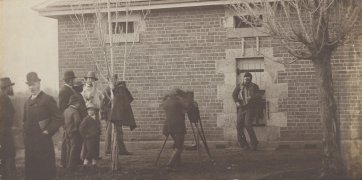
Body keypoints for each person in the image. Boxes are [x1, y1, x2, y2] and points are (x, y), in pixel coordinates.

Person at [23, 72, 63, 180]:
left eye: (34, 84)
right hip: (30, 144)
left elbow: (59, 118)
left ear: (39, 83)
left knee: (45, 173)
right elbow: (25, 121)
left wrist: (48, 131)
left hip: (43, 142)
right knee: (32, 173)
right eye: (29, 84)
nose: (32, 87)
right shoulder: (26, 103)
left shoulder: (47, 99)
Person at [102, 74, 136, 156]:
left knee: (119, 132)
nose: (113, 81)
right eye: (111, 79)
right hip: (110, 114)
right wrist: (108, 111)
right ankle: (108, 150)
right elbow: (102, 105)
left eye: (114, 79)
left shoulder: (118, 89)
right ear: (108, 81)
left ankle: (122, 150)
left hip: (117, 113)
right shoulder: (106, 90)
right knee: (109, 132)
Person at [162, 88, 191, 170]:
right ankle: (169, 165)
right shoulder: (178, 102)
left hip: (169, 127)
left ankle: (178, 162)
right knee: (179, 146)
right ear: (176, 95)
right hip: (179, 127)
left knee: (177, 143)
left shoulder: (165, 102)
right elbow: (187, 106)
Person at [232, 72, 260, 151]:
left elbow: (259, 95)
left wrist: (252, 97)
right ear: (243, 79)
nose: (245, 81)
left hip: (250, 108)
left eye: (247, 80)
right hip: (241, 107)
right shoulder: (239, 86)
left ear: (250, 80)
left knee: (247, 124)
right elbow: (234, 94)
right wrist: (236, 102)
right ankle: (244, 144)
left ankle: (254, 143)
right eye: (244, 79)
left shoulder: (254, 86)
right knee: (239, 126)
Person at [82, 71, 103, 159]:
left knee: (96, 133)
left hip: (97, 112)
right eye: (89, 78)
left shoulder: (97, 90)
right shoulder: (84, 90)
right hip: (89, 112)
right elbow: (89, 97)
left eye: (93, 79)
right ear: (86, 80)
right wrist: (94, 88)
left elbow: (101, 97)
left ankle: (95, 155)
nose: (91, 80)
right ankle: (86, 156)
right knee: (89, 135)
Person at [59, 70, 77, 167]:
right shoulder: (64, 91)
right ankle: (64, 162)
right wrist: (65, 121)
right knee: (66, 141)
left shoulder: (70, 89)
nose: (74, 81)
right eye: (73, 79)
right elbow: (62, 108)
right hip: (67, 120)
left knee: (68, 141)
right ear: (69, 80)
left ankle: (67, 161)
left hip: (69, 119)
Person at [0, 77, 16, 180]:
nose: (12, 88)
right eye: (11, 86)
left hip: (4, 135)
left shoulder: (4, 98)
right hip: (4, 137)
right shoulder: (4, 100)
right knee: (8, 163)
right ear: (7, 87)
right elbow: (6, 118)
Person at [63, 95, 83, 170]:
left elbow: (63, 121)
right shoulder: (75, 111)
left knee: (68, 148)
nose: (79, 105)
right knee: (74, 149)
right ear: (75, 103)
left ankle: (67, 163)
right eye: (78, 103)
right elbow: (78, 122)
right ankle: (71, 166)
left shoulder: (66, 110)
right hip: (74, 132)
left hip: (67, 132)